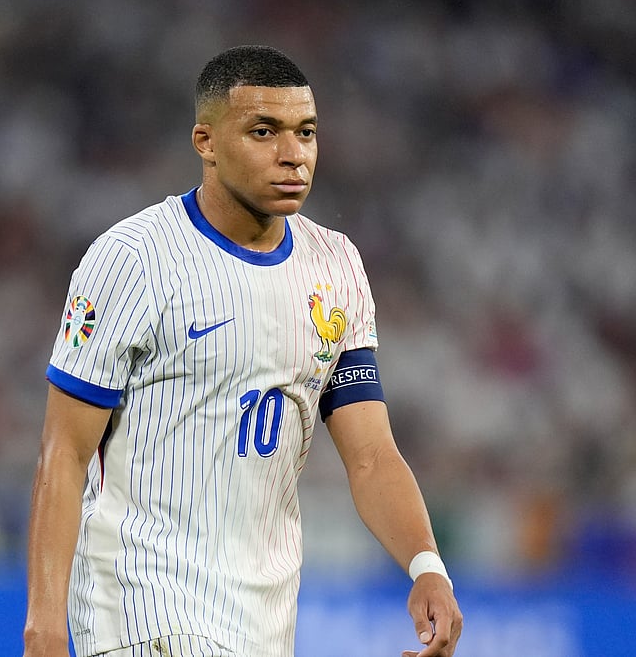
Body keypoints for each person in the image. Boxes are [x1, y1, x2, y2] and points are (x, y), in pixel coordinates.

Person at [23, 45, 462, 657]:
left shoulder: (335, 266)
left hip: (264, 622)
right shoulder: (132, 260)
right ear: (206, 141)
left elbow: (370, 456)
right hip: (143, 608)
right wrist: (43, 624)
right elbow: (64, 451)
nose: (293, 154)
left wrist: (425, 565)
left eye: (306, 133)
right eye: (264, 132)